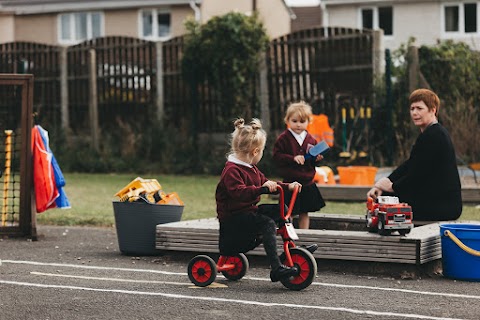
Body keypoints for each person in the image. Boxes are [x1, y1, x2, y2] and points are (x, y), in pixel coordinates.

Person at [216, 118, 303, 282]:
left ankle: (292, 250)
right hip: (233, 218)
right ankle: (276, 268)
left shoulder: (251, 169)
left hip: (248, 211)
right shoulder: (231, 171)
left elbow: (267, 182)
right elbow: (239, 193)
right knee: (267, 224)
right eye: (262, 151)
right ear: (255, 152)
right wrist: (262, 189)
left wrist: (288, 186)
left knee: (281, 210)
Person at [367, 88, 462, 221]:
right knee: (385, 201)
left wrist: (392, 187)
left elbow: (418, 176)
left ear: (433, 110)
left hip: (442, 207)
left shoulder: (434, 136)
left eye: (419, 108)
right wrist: (386, 182)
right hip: (438, 203)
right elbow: (410, 164)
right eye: (412, 109)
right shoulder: (431, 133)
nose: (414, 113)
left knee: (385, 205)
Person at [273, 101, 326, 229]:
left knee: (304, 212)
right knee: (287, 211)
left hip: (306, 183)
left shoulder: (311, 139)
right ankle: (288, 234)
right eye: (294, 121)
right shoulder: (283, 138)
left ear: (308, 122)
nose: (298, 124)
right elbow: (277, 156)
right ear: (287, 120)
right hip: (290, 183)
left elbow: (311, 160)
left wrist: (316, 159)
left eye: (302, 121)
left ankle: (305, 234)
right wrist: (292, 158)